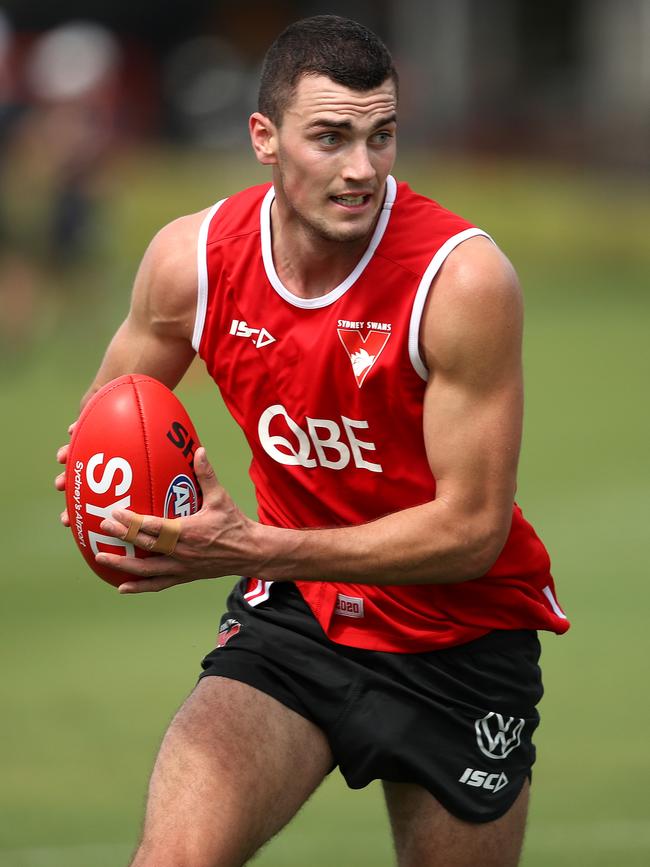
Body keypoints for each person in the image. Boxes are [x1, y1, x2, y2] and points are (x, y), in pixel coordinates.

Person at [56, 15, 569, 867]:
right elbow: (107, 419)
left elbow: (472, 532)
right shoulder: (195, 263)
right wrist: (108, 487)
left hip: (461, 643)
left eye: (382, 136)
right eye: (330, 137)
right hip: (298, 621)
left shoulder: (462, 279)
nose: (361, 168)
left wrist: (249, 544)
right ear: (264, 138)